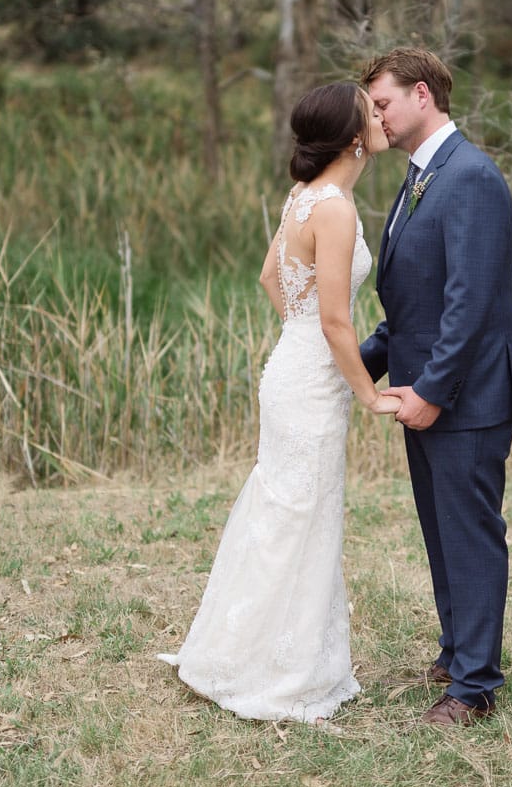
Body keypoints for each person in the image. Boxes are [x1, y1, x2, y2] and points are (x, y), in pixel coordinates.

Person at [157, 82, 399, 723]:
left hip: (287, 368)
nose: (382, 116)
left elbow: (272, 278)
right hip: (312, 381)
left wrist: (299, 337)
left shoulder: (303, 198)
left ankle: (236, 653)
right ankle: (282, 673)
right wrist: (369, 395)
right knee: (302, 516)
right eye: (372, 111)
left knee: (284, 511)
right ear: (353, 136)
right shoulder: (337, 209)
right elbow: (337, 324)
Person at [359, 47, 512, 726]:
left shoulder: (471, 178)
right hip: (423, 392)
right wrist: (355, 362)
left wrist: (431, 389)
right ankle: (458, 647)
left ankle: (474, 688)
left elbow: (470, 302)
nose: (376, 115)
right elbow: (414, 304)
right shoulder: (420, 178)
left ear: (422, 94)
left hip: (467, 395)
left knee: (470, 532)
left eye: (383, 102)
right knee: (441, 530)